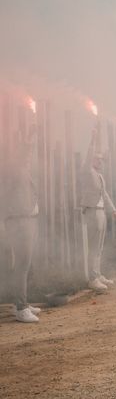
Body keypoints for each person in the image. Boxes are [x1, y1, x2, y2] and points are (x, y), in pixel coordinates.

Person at [3, 126, 41, 322]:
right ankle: (21, 306)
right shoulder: (14, 171)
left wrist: (30, 138)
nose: (29, 156)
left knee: (26, 265)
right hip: (19, 222)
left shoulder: (23, 170)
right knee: (22, 265)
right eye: (26, 153)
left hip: (27, 221)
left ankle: (22, 302)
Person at [80, 128, 116, 292]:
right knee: (94, 246)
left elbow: (105, 194)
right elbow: (87, 158)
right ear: (92, 160)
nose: (101, 162)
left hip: (101, 211)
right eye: (98, 159)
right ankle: (92, 278)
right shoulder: (87, 171)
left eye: (101, 160)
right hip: (92, 211)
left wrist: (113, 210)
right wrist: (93, 140)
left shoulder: (100, 176)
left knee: (100, 246)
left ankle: (98, 273)